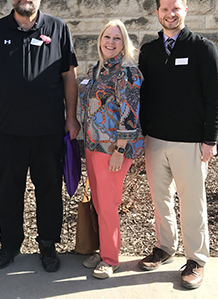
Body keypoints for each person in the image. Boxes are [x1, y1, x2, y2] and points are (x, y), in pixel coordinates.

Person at [0, 0, 80, 272]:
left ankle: (48, 245)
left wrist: (71, 118)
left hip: (49, 131)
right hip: (6, 132)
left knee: (49, 190)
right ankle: (9, 245)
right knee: (9, 190)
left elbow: (69, 77)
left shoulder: (58, 29)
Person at [138, 0, 218, 289]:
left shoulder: (202, 48)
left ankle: (196, 259)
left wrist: (209, 140)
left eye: (175, 9)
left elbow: (215, 97)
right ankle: (165, 246)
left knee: (192, 204)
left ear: (185, 10)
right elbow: (143, 96)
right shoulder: (149, 51)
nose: (170, 14)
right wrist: (140, 135)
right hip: (155, 141)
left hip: (191, 143)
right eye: (164, 9)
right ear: (157, 12)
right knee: (160, 200)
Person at [79, 20, 144, 279]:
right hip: (93, 145)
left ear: (124, 43)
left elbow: (130, 113)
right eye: (107, 37)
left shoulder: (127, 73)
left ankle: (110, 258)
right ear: (100, 40)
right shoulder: (97, 70)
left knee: (108, 203)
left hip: (114, 148)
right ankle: (103, 248)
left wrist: (120, 148)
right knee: (98, 200)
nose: (111, 42)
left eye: (117, 38)